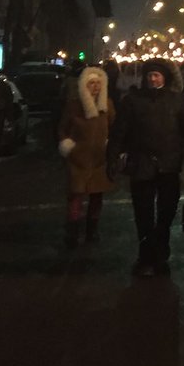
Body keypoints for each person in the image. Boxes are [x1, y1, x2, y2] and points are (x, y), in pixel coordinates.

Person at [109, 57, 184, 277]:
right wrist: (112, 157)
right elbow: (120, 131)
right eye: (150, 75)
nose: (153, 79)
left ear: (165, 77)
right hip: (141, 164)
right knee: (143, 213)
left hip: (168, 166)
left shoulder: (177, 100)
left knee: (166, 212)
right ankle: (145, 255)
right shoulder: (133, 101)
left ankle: (161, 254)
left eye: (157, 75)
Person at [57, 65, 116, 248]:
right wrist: (68, 145)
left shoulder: (107, 105)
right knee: (76, 196)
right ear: (84, 85)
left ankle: (92, 230)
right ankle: (73, 232)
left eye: (99, 83)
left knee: (97, 196)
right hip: (78, 159)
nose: (95, 87)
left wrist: (110, 144)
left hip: (99, 159)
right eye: (91, 83)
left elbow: (114, 126)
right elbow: (62, 128)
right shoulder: (74, 106)